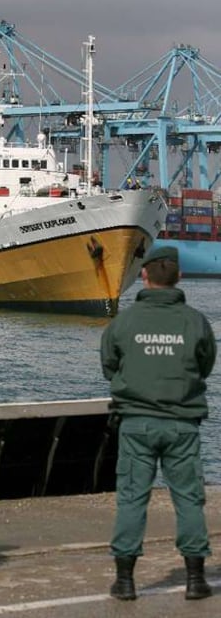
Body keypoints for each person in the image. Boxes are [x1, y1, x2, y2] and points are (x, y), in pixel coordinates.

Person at [100, 246, 216, 601]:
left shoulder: (123, 322)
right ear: (179, 276)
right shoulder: (196, 321)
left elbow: (109, 366)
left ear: (144, 276)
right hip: (182, 424)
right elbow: (206, 363)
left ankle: (125, 581)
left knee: (133, 498)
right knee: (189, 499)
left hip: (136, 424)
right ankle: (196, 580)